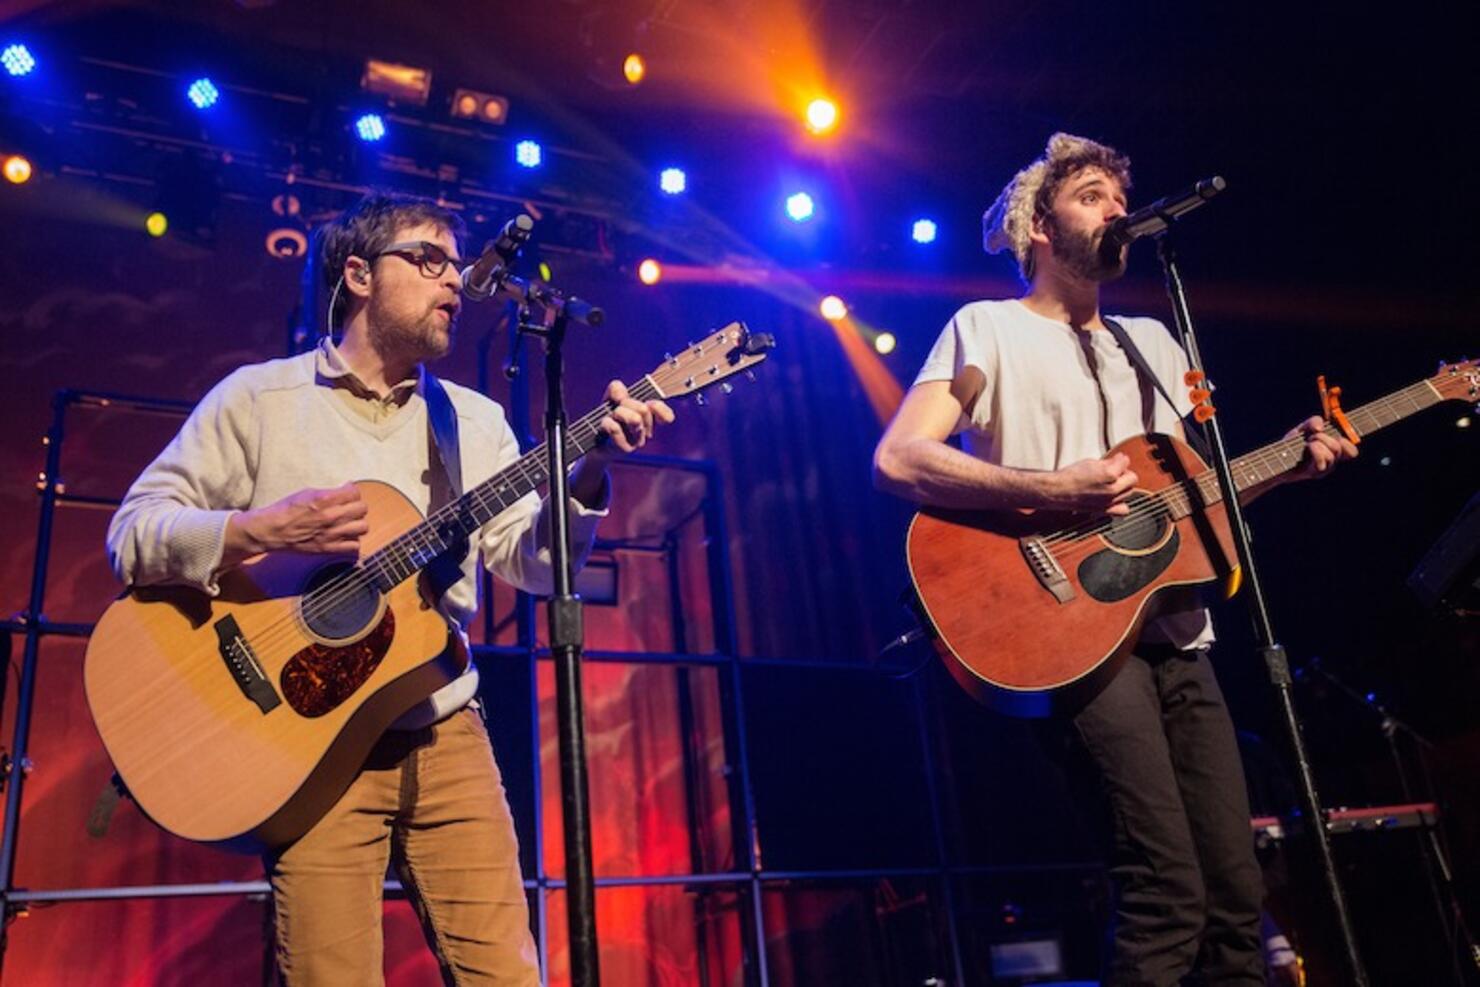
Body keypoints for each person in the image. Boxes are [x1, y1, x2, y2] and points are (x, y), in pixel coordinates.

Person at [106, 191, 674, 985]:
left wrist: (591, 472)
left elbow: (535, 564)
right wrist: (260, 532)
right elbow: (133, 533)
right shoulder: (259, 400)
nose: (454, 283)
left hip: (447, 732)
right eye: (429, 260)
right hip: (305, 750)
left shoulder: (472, 422)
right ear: (360, 274)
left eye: (456, 263)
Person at [872, 133, 1355, 985]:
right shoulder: (985, 328)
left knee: (1236, 891)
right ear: (1040, 227)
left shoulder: (1155, 343)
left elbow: (1191, 504)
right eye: (1091, 195)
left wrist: (1288, 461)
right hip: (1072, 634)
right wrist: (1054, 491)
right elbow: (900, 458)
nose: (1115, 210)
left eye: (1116, 197)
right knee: (1165, 888)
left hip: (1176, 629)